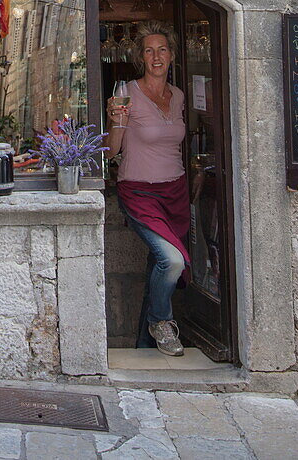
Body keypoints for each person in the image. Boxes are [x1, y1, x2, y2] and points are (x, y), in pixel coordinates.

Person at [107, 21, 190, 357]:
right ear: (141, 57)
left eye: (162, 50)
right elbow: (112, 150)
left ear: (171, 55)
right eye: (149, 51)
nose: (157, 56)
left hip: (176, 192)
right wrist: (115, 121)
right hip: (139, 192)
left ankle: (144, 346)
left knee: (157, 269)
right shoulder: (127, 93)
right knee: (171, 261)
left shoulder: (179, 95)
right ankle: (162, 323)